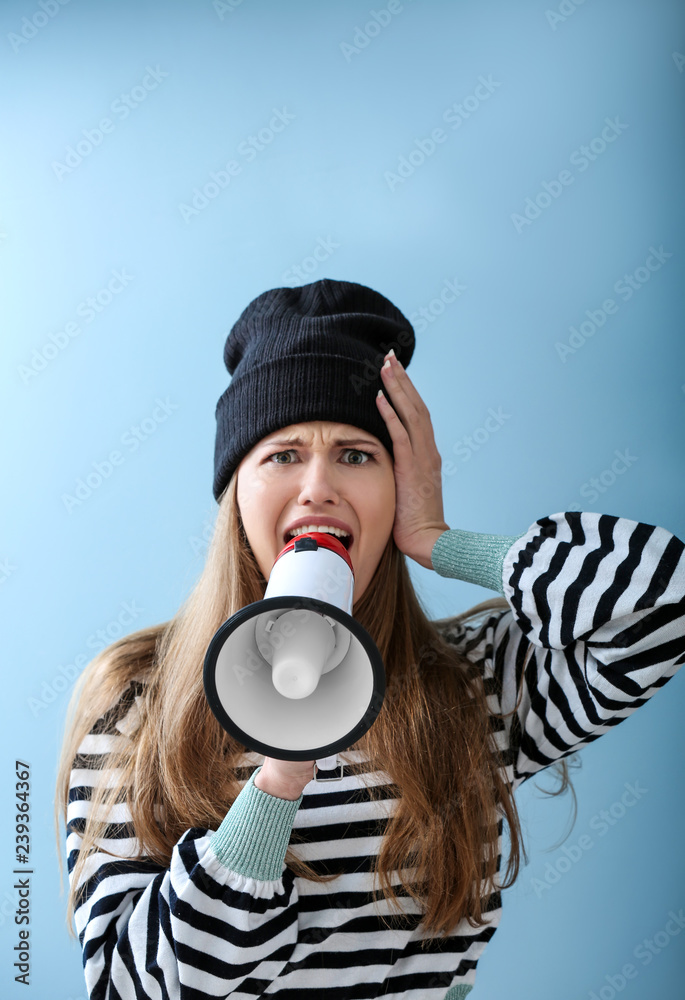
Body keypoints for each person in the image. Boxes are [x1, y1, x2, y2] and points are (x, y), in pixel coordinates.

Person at [55, 279, 685, 999]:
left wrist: (443, 543)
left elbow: (661, 605)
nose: (318, 487)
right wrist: (278, 781)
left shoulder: (474, 685)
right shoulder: (136, 700)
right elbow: (131, 990)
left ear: (398, 486)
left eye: (357, 455)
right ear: (235, 494)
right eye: (282, 454)